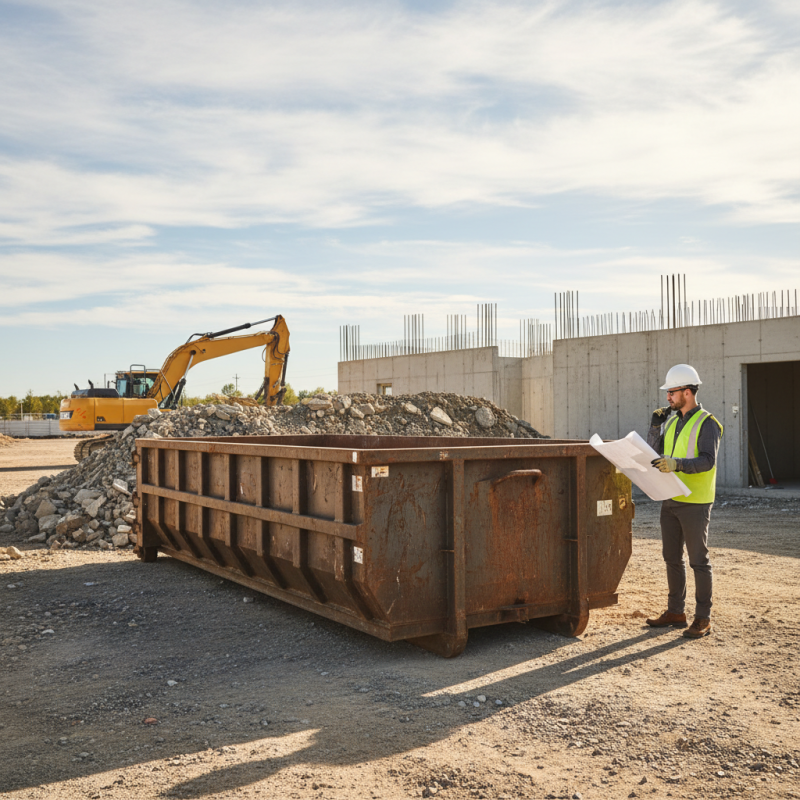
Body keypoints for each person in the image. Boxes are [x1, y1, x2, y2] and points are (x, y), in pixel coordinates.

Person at [645, 364, 723, 639]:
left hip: (696, 501)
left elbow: (707, 461)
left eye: (672, 392)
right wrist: (655, 428)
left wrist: (676, 463)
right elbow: (653, 454)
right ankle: (676, 611)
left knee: (698, 561)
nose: (667, 397)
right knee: (671, 558)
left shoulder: (708, 424)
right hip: (671, 498)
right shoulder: (674, 422)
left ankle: (703, 618)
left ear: (687, 392)